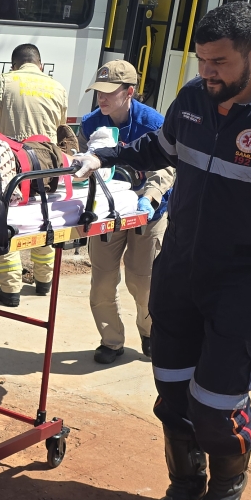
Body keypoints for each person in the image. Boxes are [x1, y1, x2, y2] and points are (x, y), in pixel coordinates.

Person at [73, 2, 251, 500]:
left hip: (243, 282)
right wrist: (107, 156)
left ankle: (226, 484)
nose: (207, 73)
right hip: (180, 269)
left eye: (218, 62)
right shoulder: (194, 99)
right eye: (201, 61)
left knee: (216, 403)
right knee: (172, 393)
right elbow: (162, 147)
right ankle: (185, 484)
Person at [79, 59, 175, 364]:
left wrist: (151, 196)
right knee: (103, 281)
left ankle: (149, 333)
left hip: (149, 213)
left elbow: (169, 166)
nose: (102, 97)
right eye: (99, 91)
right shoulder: (91, 123)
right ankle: (111, 341)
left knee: (142, 281)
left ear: (130, 91)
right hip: (108, 212)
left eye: (109, 91)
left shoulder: (155, 123)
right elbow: (83, 167)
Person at [0, 43, 69, 307]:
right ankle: (44, 282)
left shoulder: (2, 82)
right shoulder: (57, 87)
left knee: (3, 221)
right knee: (44, 219)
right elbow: (60, 129)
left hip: (14, 166)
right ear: (40, 65)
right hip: (49, 168)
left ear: (13, 65)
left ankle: (10, 289)